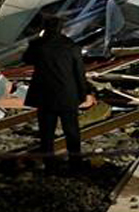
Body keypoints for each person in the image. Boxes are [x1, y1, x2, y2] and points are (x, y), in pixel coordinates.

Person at [22, 14, 96, 174]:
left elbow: (26, 59)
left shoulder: (38, 45)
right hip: (67, 96)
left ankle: (50, 167)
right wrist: (83, 95)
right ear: (61, 29)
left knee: (46, 134)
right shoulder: (72, 46)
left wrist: (34, 42)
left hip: (45, 96)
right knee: (72, 133)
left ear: (45, 29)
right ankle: (75, 165)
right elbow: (79, 74)